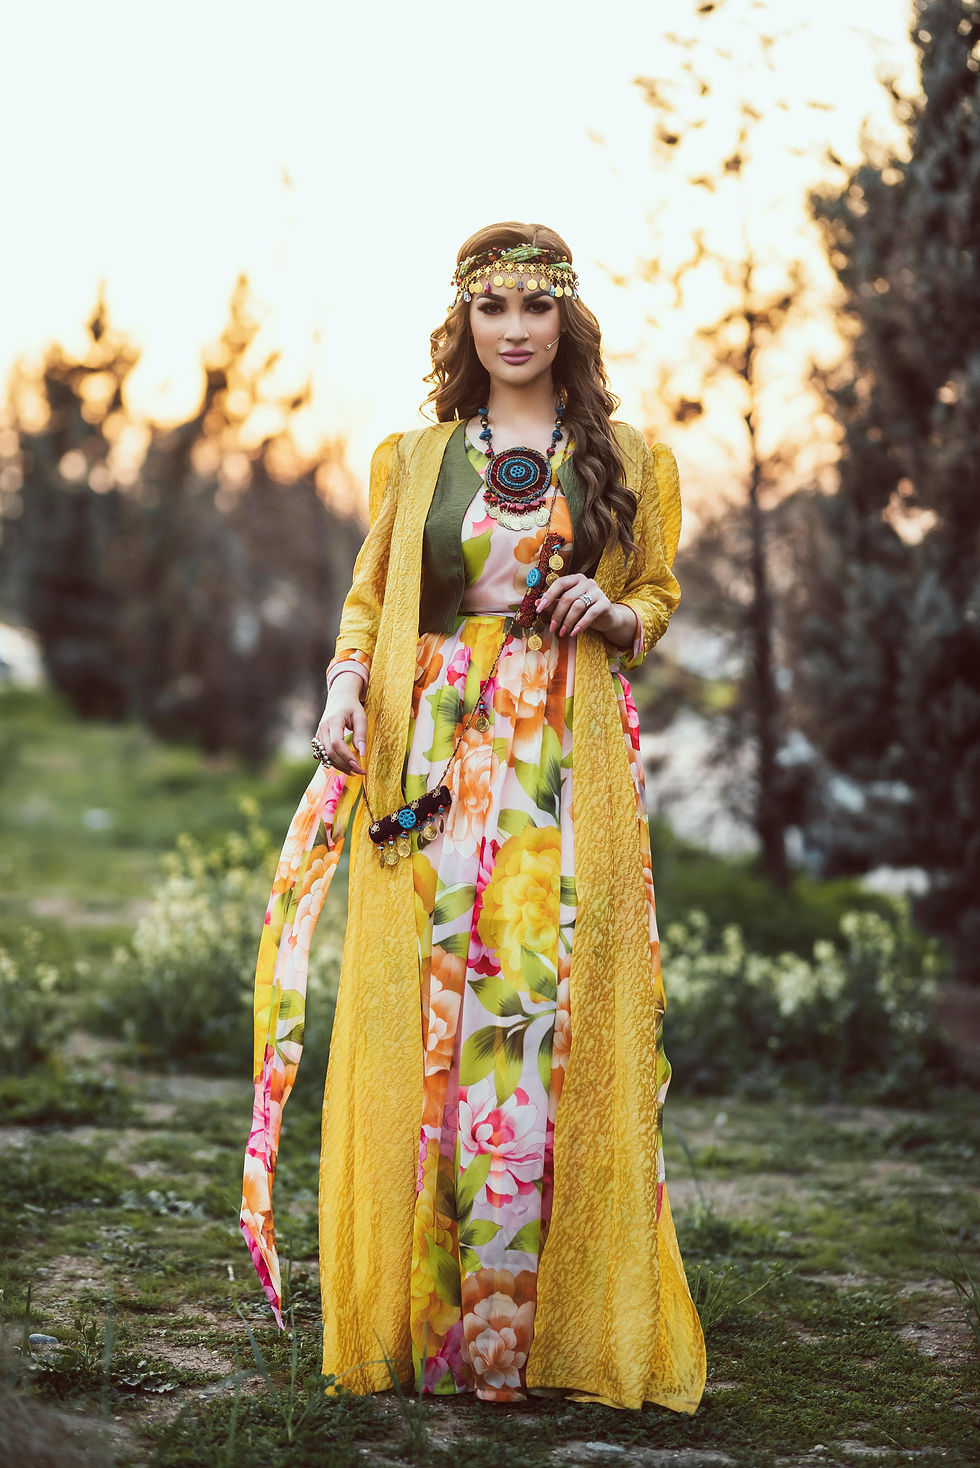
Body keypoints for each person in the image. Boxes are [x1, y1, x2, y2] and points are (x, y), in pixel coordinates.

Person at [241, 221, 706, 1414]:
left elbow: (655, 597)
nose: (512, 330)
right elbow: (367, 607)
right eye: (490, 309)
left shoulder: (631, 459)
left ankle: (533, 1329)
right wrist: (345, 693)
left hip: (562, 763)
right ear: (464, 324)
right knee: (429, 1019)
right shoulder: (413, 461)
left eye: (533, 309)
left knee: (536, 1017)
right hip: (432, 762)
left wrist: (610, 610)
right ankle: (429, 1324)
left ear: (566, 322)